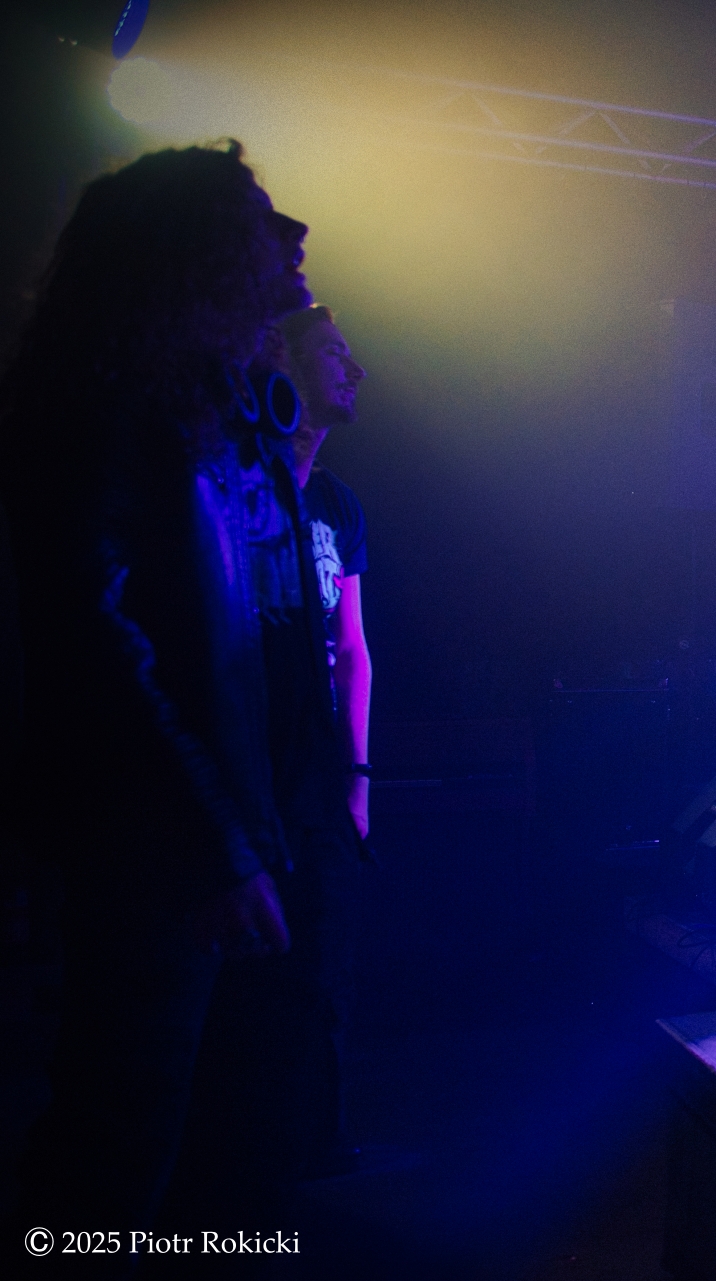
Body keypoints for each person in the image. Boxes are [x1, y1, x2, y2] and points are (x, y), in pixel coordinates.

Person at [0, 142, 341, 1264]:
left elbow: (261, 620)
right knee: (118, 1149)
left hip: (240, 836)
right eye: (258, 218)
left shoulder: (213, 399)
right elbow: (93, 642)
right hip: (169, 853)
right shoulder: (104, 401)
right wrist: (213, 844)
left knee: (229, 1148)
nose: (292, 235)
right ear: (192, 251)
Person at [272, 302, 373, 1179]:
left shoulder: (339, 503)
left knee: (325, 968)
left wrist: (360, 779)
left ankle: (317, 1142)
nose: (356, 370)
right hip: (261, 771)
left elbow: (354, 649)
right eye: (336, 353)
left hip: (323, 780)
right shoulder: (247, 485)